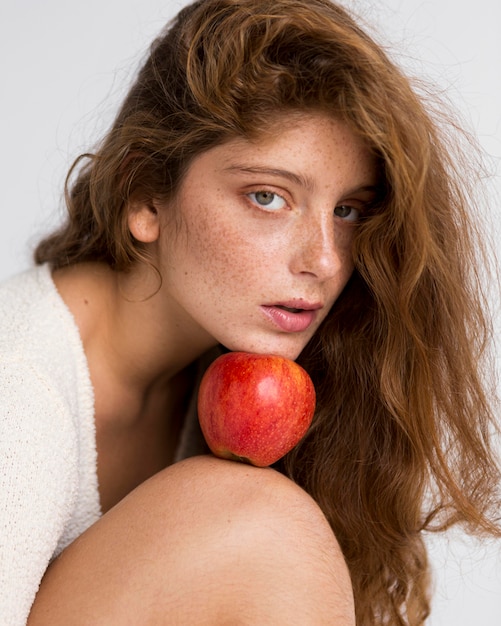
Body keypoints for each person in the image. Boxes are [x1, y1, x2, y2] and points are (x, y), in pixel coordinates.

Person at [1, 0, 499, 624]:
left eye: (347, 212)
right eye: (268, 197)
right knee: (263, 519)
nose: (324, 260)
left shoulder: (226, 367)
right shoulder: (16, 387)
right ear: (145, 197)